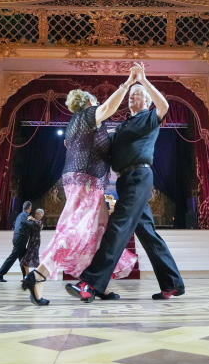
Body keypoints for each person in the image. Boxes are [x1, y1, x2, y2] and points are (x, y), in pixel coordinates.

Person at [66, 63, 185, 302]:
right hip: (125, 181)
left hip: (140, 177)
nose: (134, 97)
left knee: (118, 227)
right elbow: (99, 145)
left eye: (139, 94)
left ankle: (90, 283)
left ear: (147, 100)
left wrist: (143, 80)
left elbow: (165, 105)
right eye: (132, 95)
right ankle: (172, 284)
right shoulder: (120, 127)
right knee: (147, 232)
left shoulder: (151, 117)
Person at [22, 74, 138, 305]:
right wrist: (126, 85)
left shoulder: (75, 124)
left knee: (100, 233)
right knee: (74, 230)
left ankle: (95, 285)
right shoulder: (87, 116)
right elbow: (108, 107)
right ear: (87, 103)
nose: (97, 105)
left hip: (83, 180)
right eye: (94, 102)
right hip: (85, 181)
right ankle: (39, 274)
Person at [0, 200, 32, 282]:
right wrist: (36, 221)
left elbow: (15, 224)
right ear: (29, 208)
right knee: (12, 258)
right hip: (20, 239)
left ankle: (25, 277)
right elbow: (30, 224)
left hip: (18, 238)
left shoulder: (20, 215)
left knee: (23, 258)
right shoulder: (26, 215)